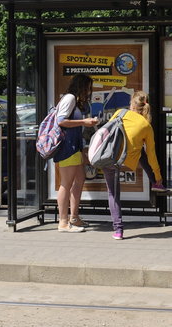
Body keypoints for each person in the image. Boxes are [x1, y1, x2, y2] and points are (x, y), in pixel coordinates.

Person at [103, 90, 163, 240]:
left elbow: (107, 131)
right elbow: (152, 155)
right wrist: (158, 176)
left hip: (110, 157)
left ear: (131, 104)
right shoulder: (146, 126)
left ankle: (118, 230)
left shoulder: (120, 113)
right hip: (127, 158)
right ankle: (156, 182)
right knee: (141, 151)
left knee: (113, 193)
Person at [54, 74, 100, 232]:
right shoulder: (70, 99)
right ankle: (63, 222)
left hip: (75, 146)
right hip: (67, 147)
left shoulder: (75, 101)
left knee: (79, 180)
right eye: (88, 87)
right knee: (66, 184)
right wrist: (84, 122)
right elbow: (60, 120)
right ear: (81, 86)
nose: (89, 91)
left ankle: (74, 217)